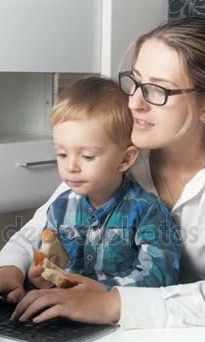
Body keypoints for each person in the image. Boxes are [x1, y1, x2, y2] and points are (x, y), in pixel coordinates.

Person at [0, 16, 205, 329]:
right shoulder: (124, 141)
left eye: (158, 90)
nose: (135, 103)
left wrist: (112, 304)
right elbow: (44, 223)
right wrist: (9, 267)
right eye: (136, 82)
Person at [27, 76, 180, 291]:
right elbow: (47, 262)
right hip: (68, 315)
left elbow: (160, 276)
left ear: (125, 160)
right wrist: (42, 277)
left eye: (88, 156)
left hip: (124, 319)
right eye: (61, 154)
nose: (71, 166)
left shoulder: (147, 212)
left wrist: (102, 292)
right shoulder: (60, 208)